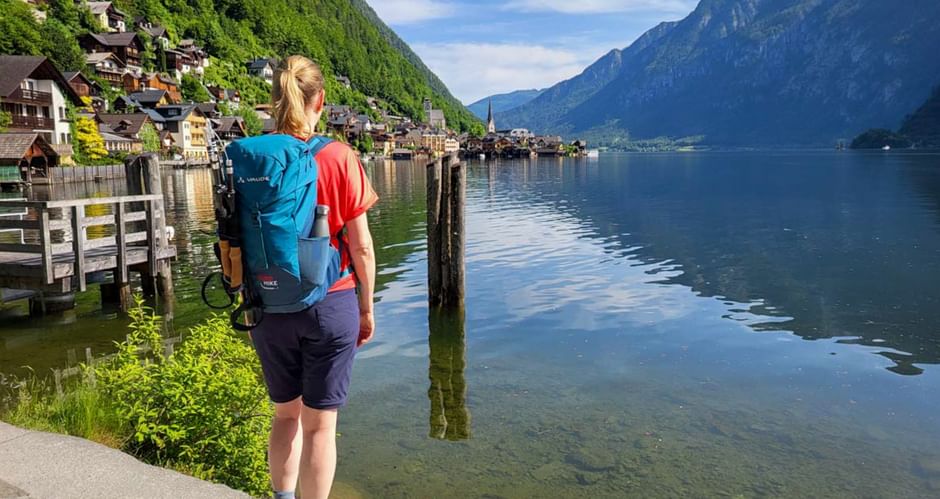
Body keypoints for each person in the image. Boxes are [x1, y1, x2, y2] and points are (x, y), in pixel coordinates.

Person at [248, 55, 378, 499]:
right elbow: (360, 246)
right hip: (331, 300)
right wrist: (366, 306)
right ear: (321, 99)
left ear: (274, 101)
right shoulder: (340, 157)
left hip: (268, 303)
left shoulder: (253, 161)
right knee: (320, 427)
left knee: (285, 417)